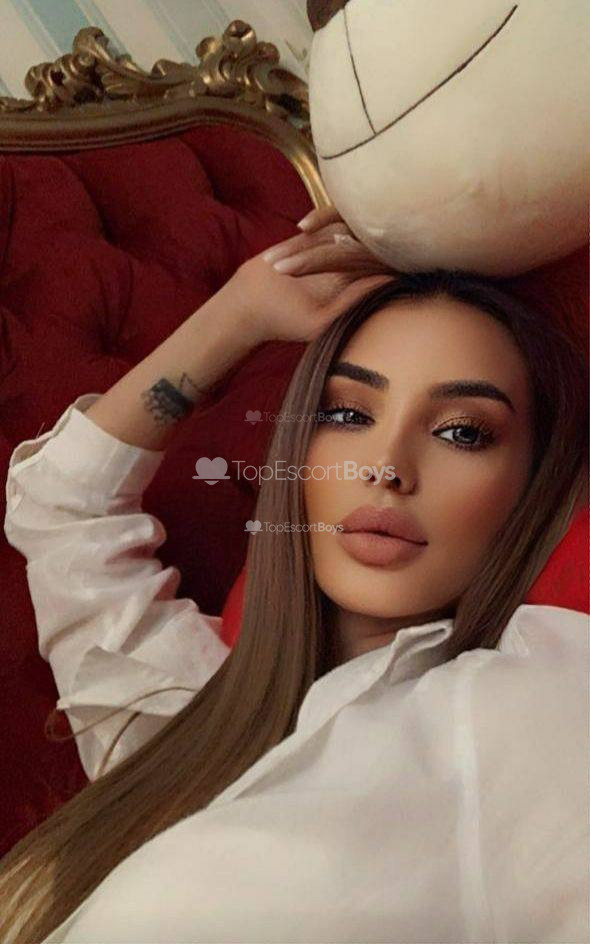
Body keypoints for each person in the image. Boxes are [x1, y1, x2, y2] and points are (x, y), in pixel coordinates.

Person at [1, 207, 588, 944]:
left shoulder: (522, 709)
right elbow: (61, 505)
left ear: (534, 488)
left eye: (462, 431)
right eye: (346, 415)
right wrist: (242, 311)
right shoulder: (174, 719)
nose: (386, 468)